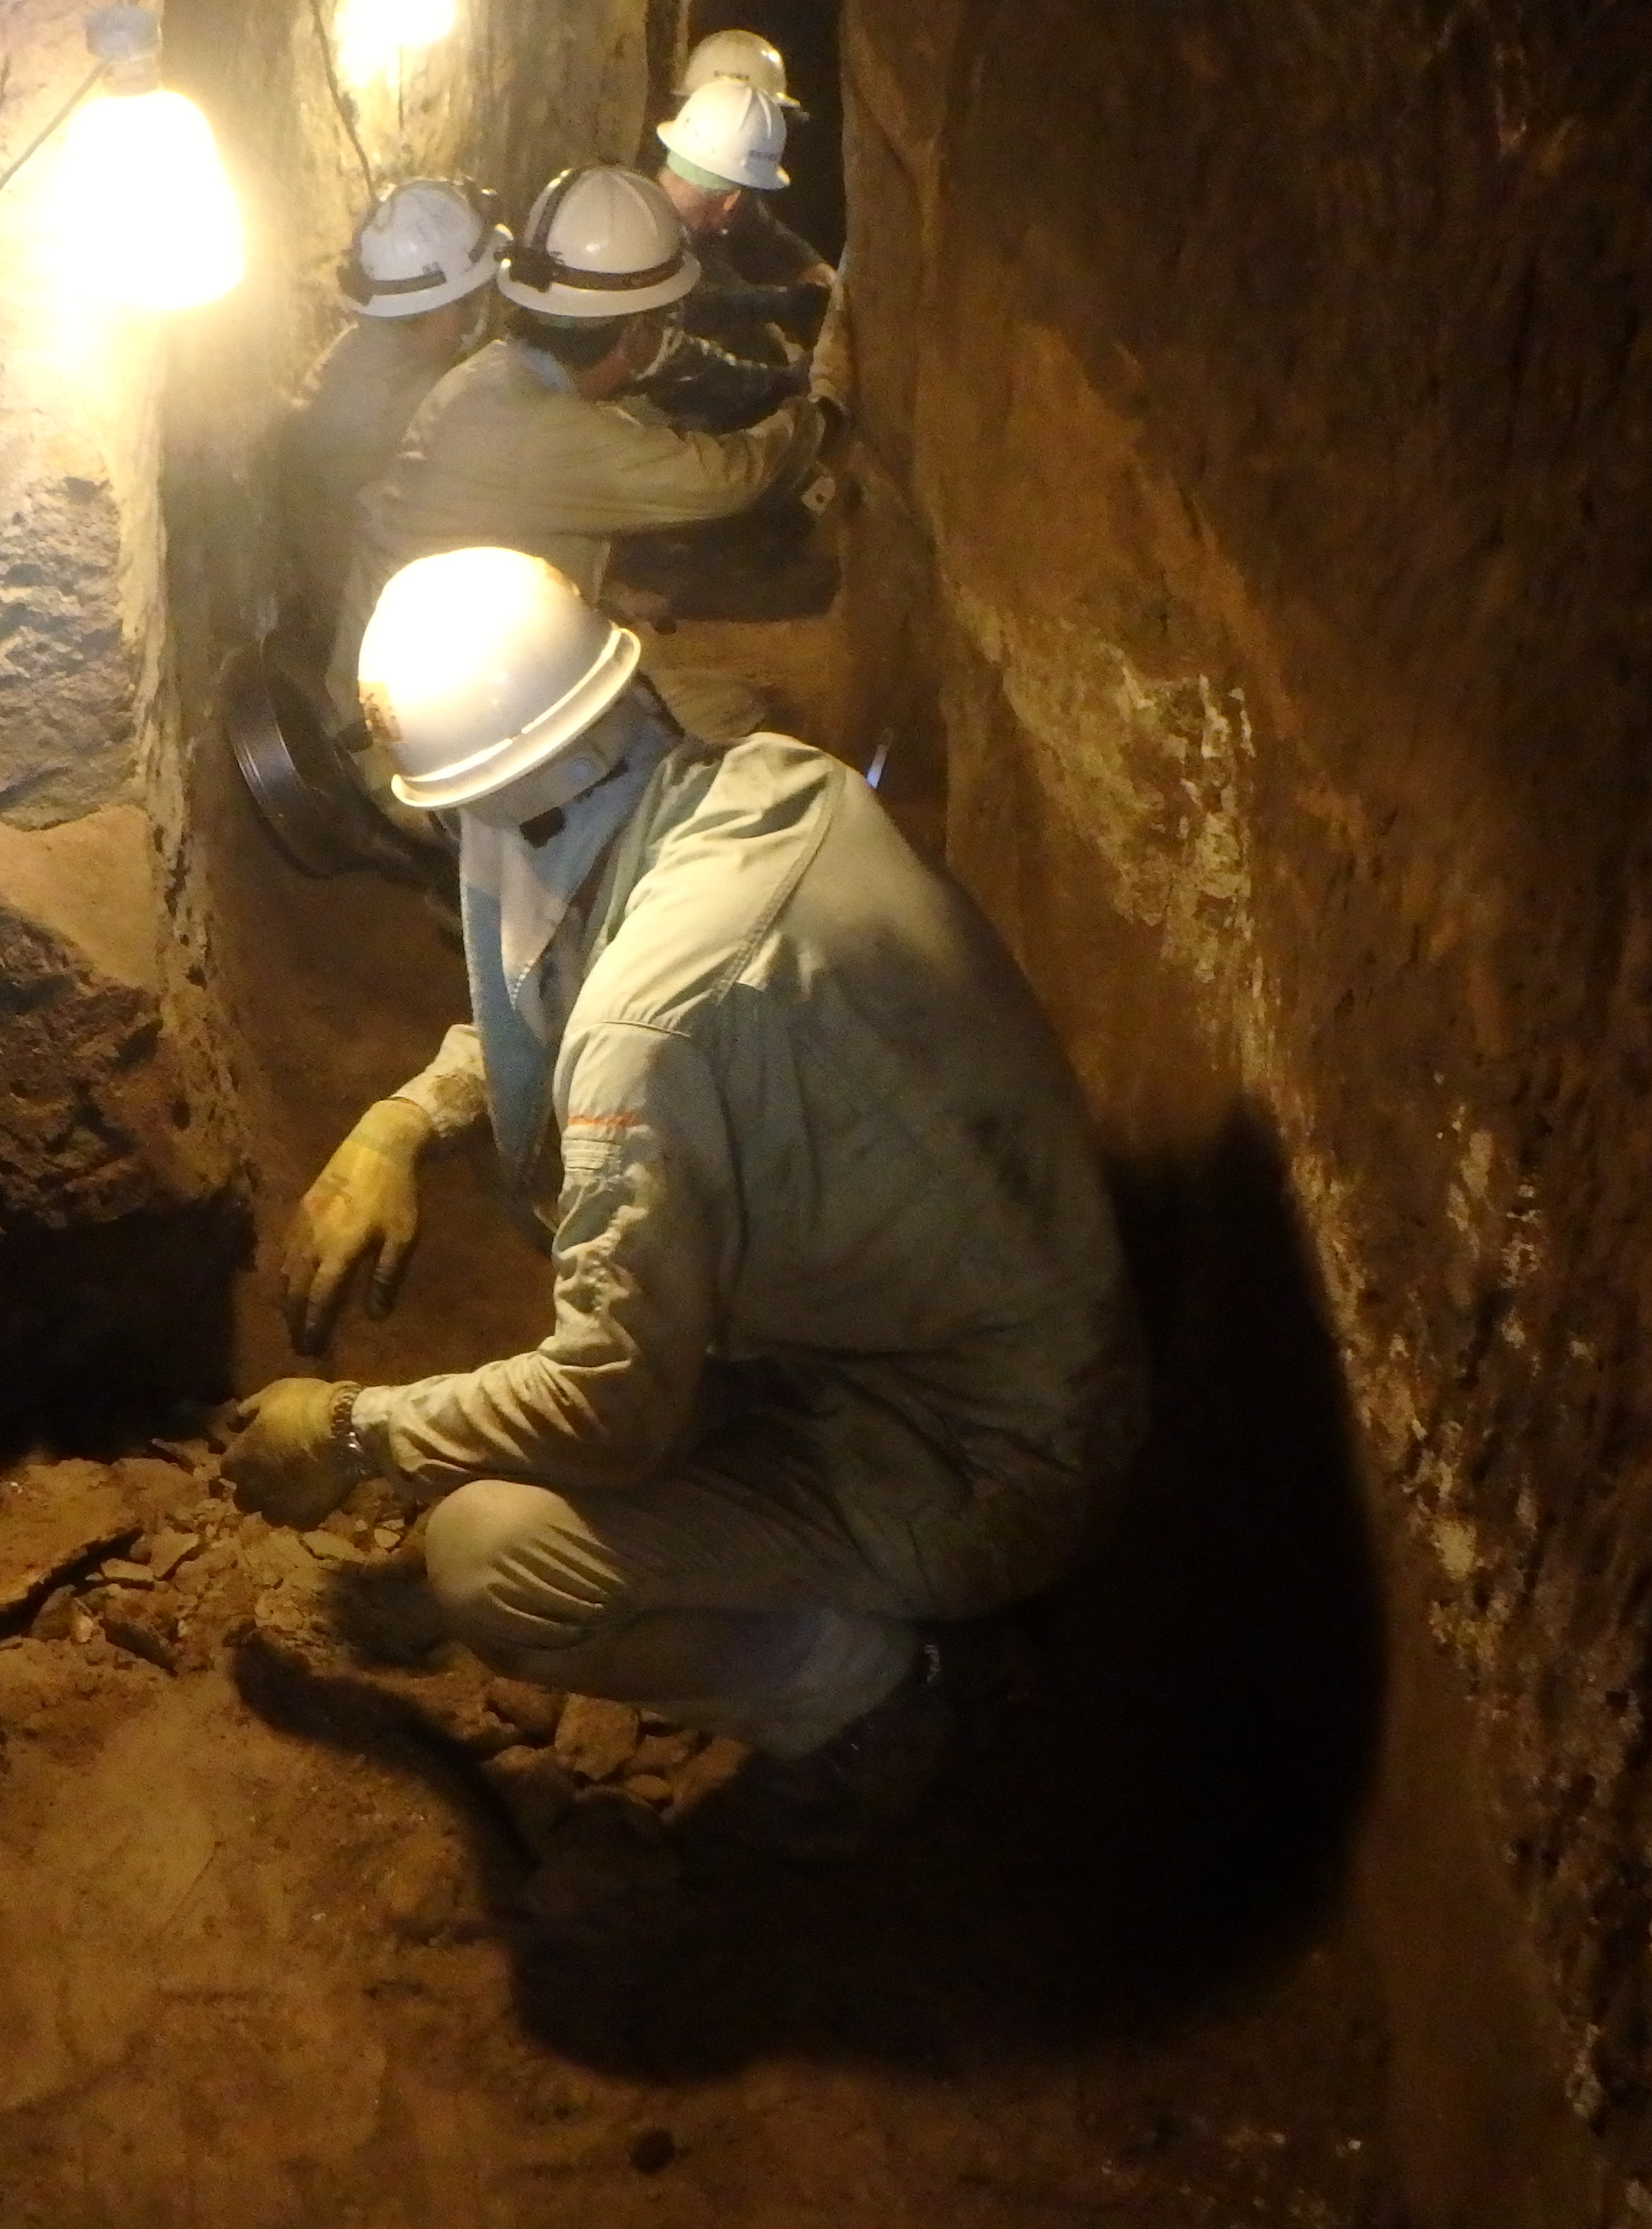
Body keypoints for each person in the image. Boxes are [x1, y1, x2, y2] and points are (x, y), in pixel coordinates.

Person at [229, 550, 1141, 1853]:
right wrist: (406, 1119)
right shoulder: (760, 785)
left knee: (488, 1553)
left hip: (983, 1463)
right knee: (552, 1395)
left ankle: (887, 1693)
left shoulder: (650, 1027)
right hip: (989, 1342)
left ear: (492, 800)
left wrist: (349, 1431)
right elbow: (574, 973)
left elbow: (606, 1406)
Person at [345, 164, 827, 680]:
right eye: (662, 320)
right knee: (731, 707)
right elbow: (727, 479)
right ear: (635, 335)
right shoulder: (542, 428)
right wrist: (823, 406)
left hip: (418, 654)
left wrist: (604, 593)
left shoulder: (494, 370)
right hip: (424, 696)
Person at [267, 179, 506, 657]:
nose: (476, 314)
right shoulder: (401, 406)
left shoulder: (363, 357)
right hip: (391, 637)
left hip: (358, 609)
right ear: (437, 310)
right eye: (467, 301)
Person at [647, 72, 839, 384]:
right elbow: (689, 312)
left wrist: (816, 275)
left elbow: (773, 240)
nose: (735, 209)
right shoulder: (639, 231)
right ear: (728, 199)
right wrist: (789, 378)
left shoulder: (711, 206)